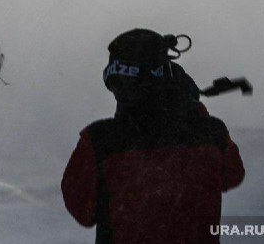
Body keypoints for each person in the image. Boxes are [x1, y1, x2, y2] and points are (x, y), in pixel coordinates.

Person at [61, 29, 245, 243]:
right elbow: (233, 176)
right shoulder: (212, 132)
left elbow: (83, 211)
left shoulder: (99, 141)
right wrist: (192, 110)